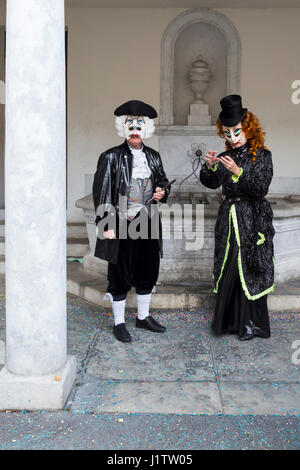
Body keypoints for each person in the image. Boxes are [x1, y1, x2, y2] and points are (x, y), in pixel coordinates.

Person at [92, 100, 170, 342]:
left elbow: (163, 182)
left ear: (146, 128)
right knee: (120, 271)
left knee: (148, 268)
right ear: (123, 128)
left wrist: (162, 192)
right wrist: (106, 225)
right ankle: (119, 322)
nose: (135, 130)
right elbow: (102, 191)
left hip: (148, 220)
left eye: (139, 125)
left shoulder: (154, 157)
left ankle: (143, 318)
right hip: (122, 220)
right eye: (130, 125)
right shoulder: (110, 157)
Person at [199, 94, 275, 341]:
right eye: (228, 133)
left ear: (248, 129)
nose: (232, 138)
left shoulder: (262, 155)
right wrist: (211, 166)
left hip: (252, 219)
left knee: (250, 267)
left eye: (237, 132)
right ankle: (229, 322)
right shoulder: (224, 156)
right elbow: (211, 183)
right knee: (229, 265)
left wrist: (239, 172)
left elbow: (260, 188)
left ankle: (251, 325)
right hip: (229, 221)